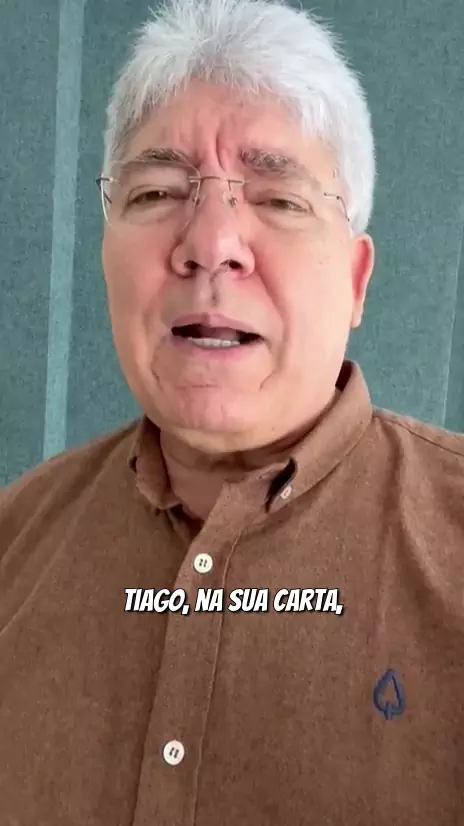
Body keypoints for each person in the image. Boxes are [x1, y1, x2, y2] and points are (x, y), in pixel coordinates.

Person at [1, 0, 463, 822]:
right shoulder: (15, 540)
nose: (210, 244)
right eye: (156, 191)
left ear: (356, 280)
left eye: (279, 200)